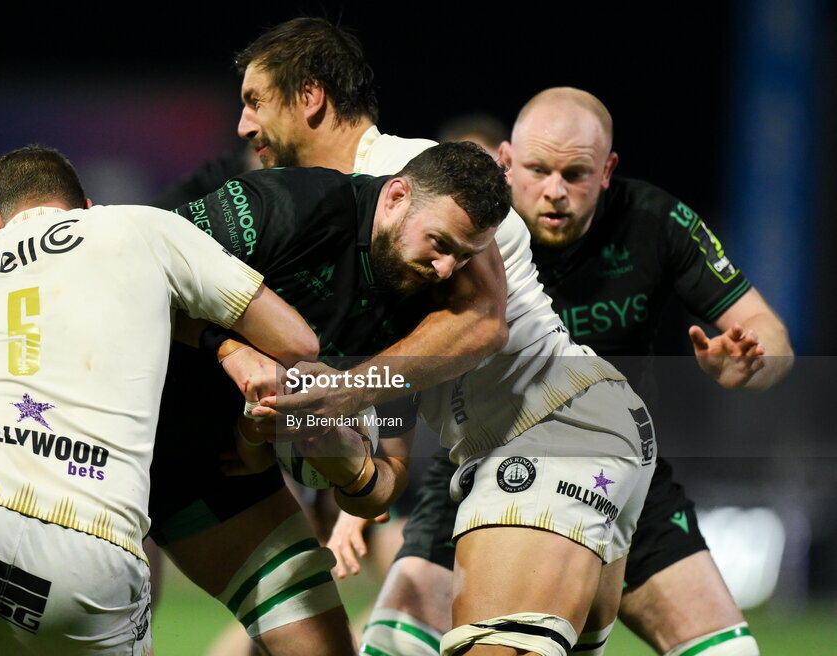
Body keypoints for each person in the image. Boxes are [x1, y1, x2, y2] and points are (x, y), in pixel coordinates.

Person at [234, 18, 659, 656]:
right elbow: (394, 438)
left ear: (310, 97)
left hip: (552, 430)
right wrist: (344, 457)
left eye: (254, 101)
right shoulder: (344, 222)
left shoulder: (405, 172)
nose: (243, 126)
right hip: (534, 439)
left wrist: (349, 392)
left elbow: (484, 322)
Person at [341, 88, 794, 656]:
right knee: (388, 645)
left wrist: (750, 361)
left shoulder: (655, 220)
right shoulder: (463, 237)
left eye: (575, 173)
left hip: (618, 469)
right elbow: (411, 353)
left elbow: (768, 332)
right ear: (505, 163)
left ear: (608, 170)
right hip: (486, 470)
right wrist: (378, 467)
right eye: (537, 170)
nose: (554, 190)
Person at [0, 145, 318, 655]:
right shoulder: (139, 228)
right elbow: (298, 343)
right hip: (94, 567)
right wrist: (225, 345)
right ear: (87, 206)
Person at [143, 139, 512, 656]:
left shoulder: (415, 316)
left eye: (464, 257)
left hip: (218, 470)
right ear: (396, 197)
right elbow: (136, 276)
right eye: (440, 243)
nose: (447, 270)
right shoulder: (290, 205)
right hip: (117, 439)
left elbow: (388, 479)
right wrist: (227, 348)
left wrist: (349, 470)